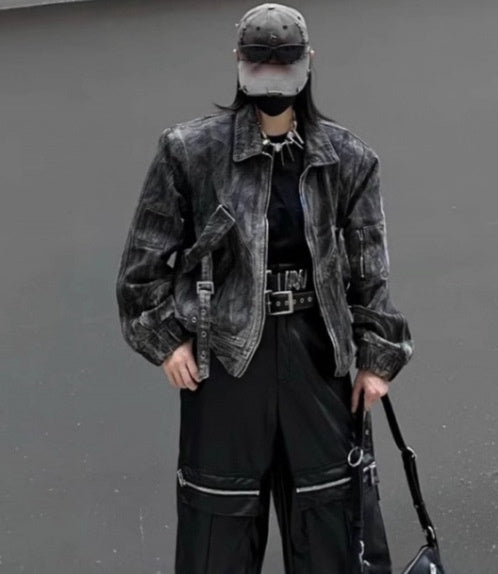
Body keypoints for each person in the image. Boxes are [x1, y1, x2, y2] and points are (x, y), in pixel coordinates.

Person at [116, 3, 414, 573]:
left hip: (319, 356)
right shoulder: (190, 151)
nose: (273, 76)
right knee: (218, 525)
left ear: (307, 62)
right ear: (238, 61)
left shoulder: (348, 159)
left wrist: (377, 359)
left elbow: (369, 270)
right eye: (260, 62)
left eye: (284, 63)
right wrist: (166, 342)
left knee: (333, 520)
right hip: (227, 359)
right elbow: (141, 266)